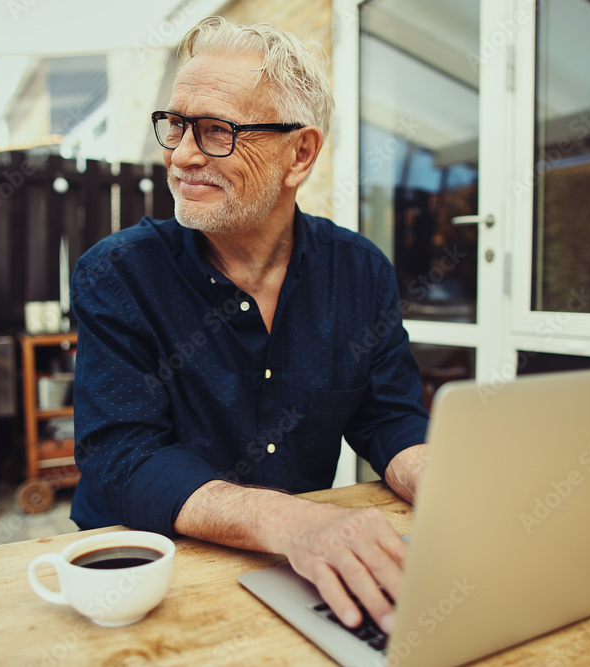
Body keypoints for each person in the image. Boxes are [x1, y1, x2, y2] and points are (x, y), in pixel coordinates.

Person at [70, 16, 429, 634]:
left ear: (301, 153)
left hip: (301, 570)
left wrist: (442, 481)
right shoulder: (118, 273)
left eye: (216, 132)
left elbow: (388, 416)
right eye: (176, 126)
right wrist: (289, 523)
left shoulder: (361, 271)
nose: (181, 156)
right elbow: (124, 456)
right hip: (143, 578)